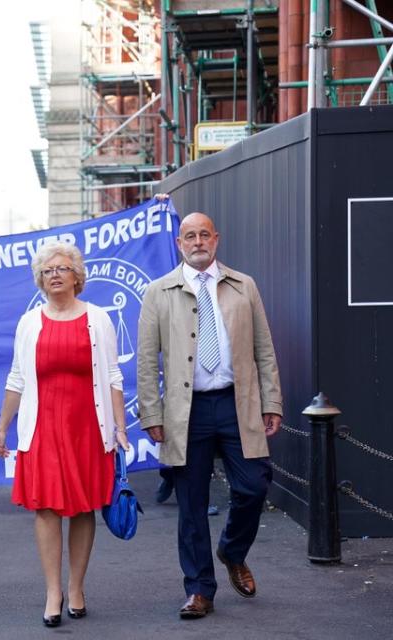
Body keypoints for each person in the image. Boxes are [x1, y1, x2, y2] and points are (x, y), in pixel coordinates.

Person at [137, 211, 282, 619]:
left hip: (238, 403)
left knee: (254, 485)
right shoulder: (159, 292)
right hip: (188, 411)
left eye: (204, 234)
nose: (198, 241)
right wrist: (151, 411)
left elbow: (264, 350)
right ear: (180, 244)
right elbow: (147, 359)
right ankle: (200, 590)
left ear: (216, 239)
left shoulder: (243, 286)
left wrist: (271, 402)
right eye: (189, 236)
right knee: (192, 504)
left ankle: (232, 550)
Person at [0, 241, 129, 627]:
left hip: (88, 426)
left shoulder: (98, 319)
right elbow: (17, 378)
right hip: (42, 427)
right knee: (47, 508)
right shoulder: (29, 322)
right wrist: (2, 428)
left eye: (62, 268)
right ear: (40, 278)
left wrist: (119, 427)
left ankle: (77, 586)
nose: (54, 274)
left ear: (76, 276)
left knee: (84, 508)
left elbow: (114, 377)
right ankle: (53, 590)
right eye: (47, 270)